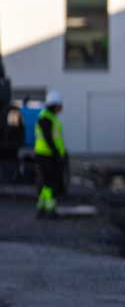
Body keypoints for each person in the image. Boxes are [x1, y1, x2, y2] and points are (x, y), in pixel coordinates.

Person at [34, 90, 67, 218]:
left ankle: (41, 208)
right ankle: (50, 209)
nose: (61, 108)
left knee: (46, 183)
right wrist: (56, 153)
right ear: (54, 105)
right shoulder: (46, 118)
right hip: (46, 155)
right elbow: (48, 138)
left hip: (46, 154)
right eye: (59, 105)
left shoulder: (49, 117)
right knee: (49, 183)